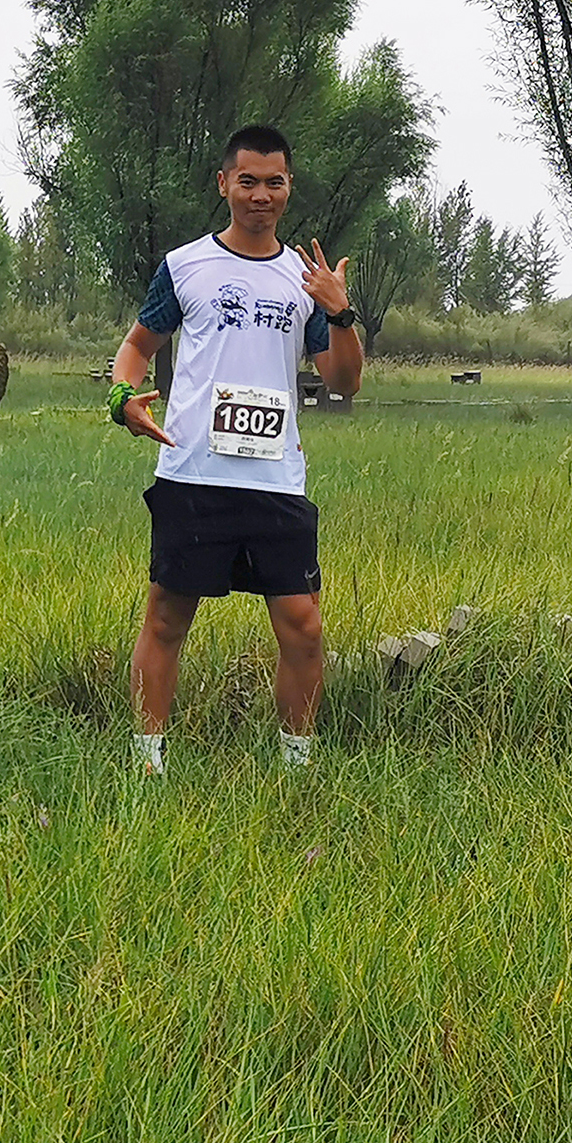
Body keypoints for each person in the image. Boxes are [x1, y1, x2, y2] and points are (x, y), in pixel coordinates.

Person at [106, 125, 361, 774]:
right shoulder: (186, 265)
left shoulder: (304, 284)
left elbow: (343, 381)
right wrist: (122, 400)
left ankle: (297, 765)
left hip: (276, 478)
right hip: (193, 471)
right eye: (247, 179)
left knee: (303, 625)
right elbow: (137, 347)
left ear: (288, 187)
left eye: (273, 181)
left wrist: (339, 312)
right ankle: (147, 765)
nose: (260, 193)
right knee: (166, 617)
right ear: (224, 183)